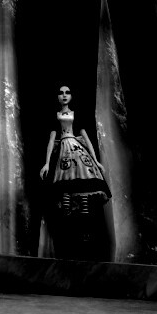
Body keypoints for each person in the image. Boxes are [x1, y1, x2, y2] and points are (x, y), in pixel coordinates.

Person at [38, 85, 111, 260]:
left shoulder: (76, 114)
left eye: (67, 92)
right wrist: (47, 163)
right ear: (57, 96)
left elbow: (86, 139)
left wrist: (96, 161)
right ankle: (68, 233)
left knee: (84, 189)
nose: (64, 95)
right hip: (63, 153)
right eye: (61, 92)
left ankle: (85, 232)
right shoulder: (55, 116)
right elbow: (51, 141)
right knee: (66, 193)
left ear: (71, 96)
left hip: (77, 151)